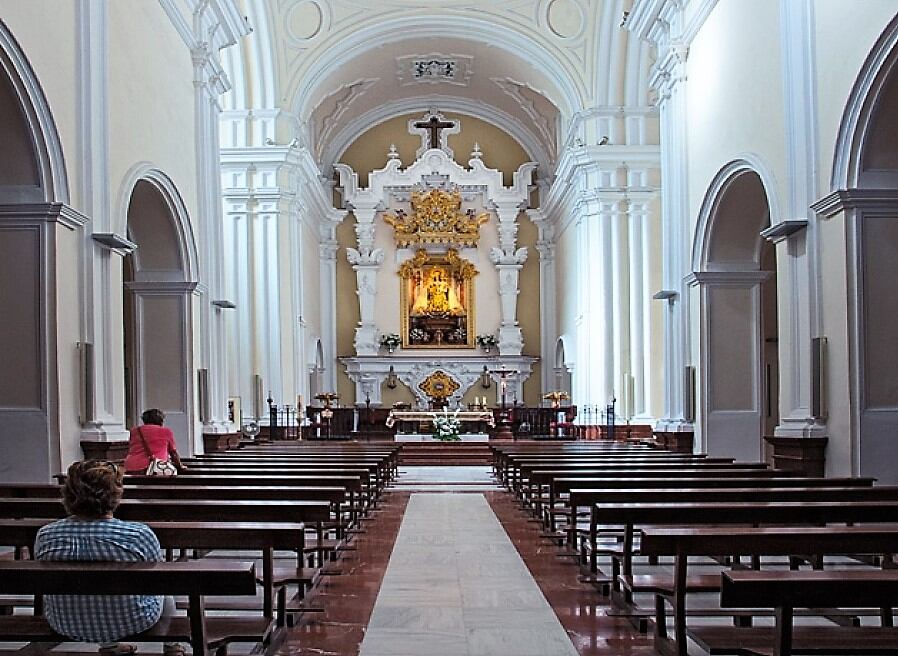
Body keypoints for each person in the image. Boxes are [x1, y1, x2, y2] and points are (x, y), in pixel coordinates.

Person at [34, 460, 183, 655]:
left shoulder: (47, 535)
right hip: (133, 620)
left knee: (91, 591)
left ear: (68, 494)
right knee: (164, 587)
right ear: (115, 495)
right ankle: (172, 648)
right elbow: (158, 581)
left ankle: (110, 645)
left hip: (65, 622)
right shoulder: (138, 534)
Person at [123, 409, 186, 475]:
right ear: (161, 420)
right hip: (154, 468)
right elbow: (173, 453)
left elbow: (132, 448)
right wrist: (180, 466)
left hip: (131, 466)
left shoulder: (135, 431)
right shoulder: (166, 432)